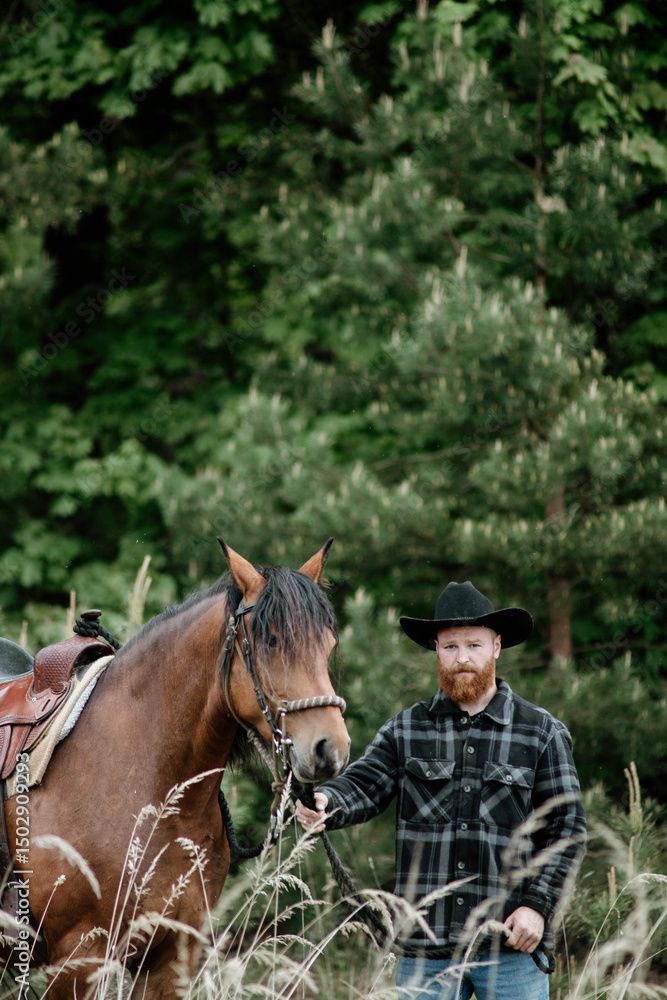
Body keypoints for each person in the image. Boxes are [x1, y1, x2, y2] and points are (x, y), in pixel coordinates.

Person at [295, 581, 587, 1000]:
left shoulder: (540, 732)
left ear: (497, 647)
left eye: (474, 645)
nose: (463, 658)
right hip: (425, 949)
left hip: (511, 948)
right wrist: (327, 802)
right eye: (450, 647)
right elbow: (364, 782)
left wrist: (538, 907)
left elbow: (567, 828)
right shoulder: (406, 728)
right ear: (436, 650)